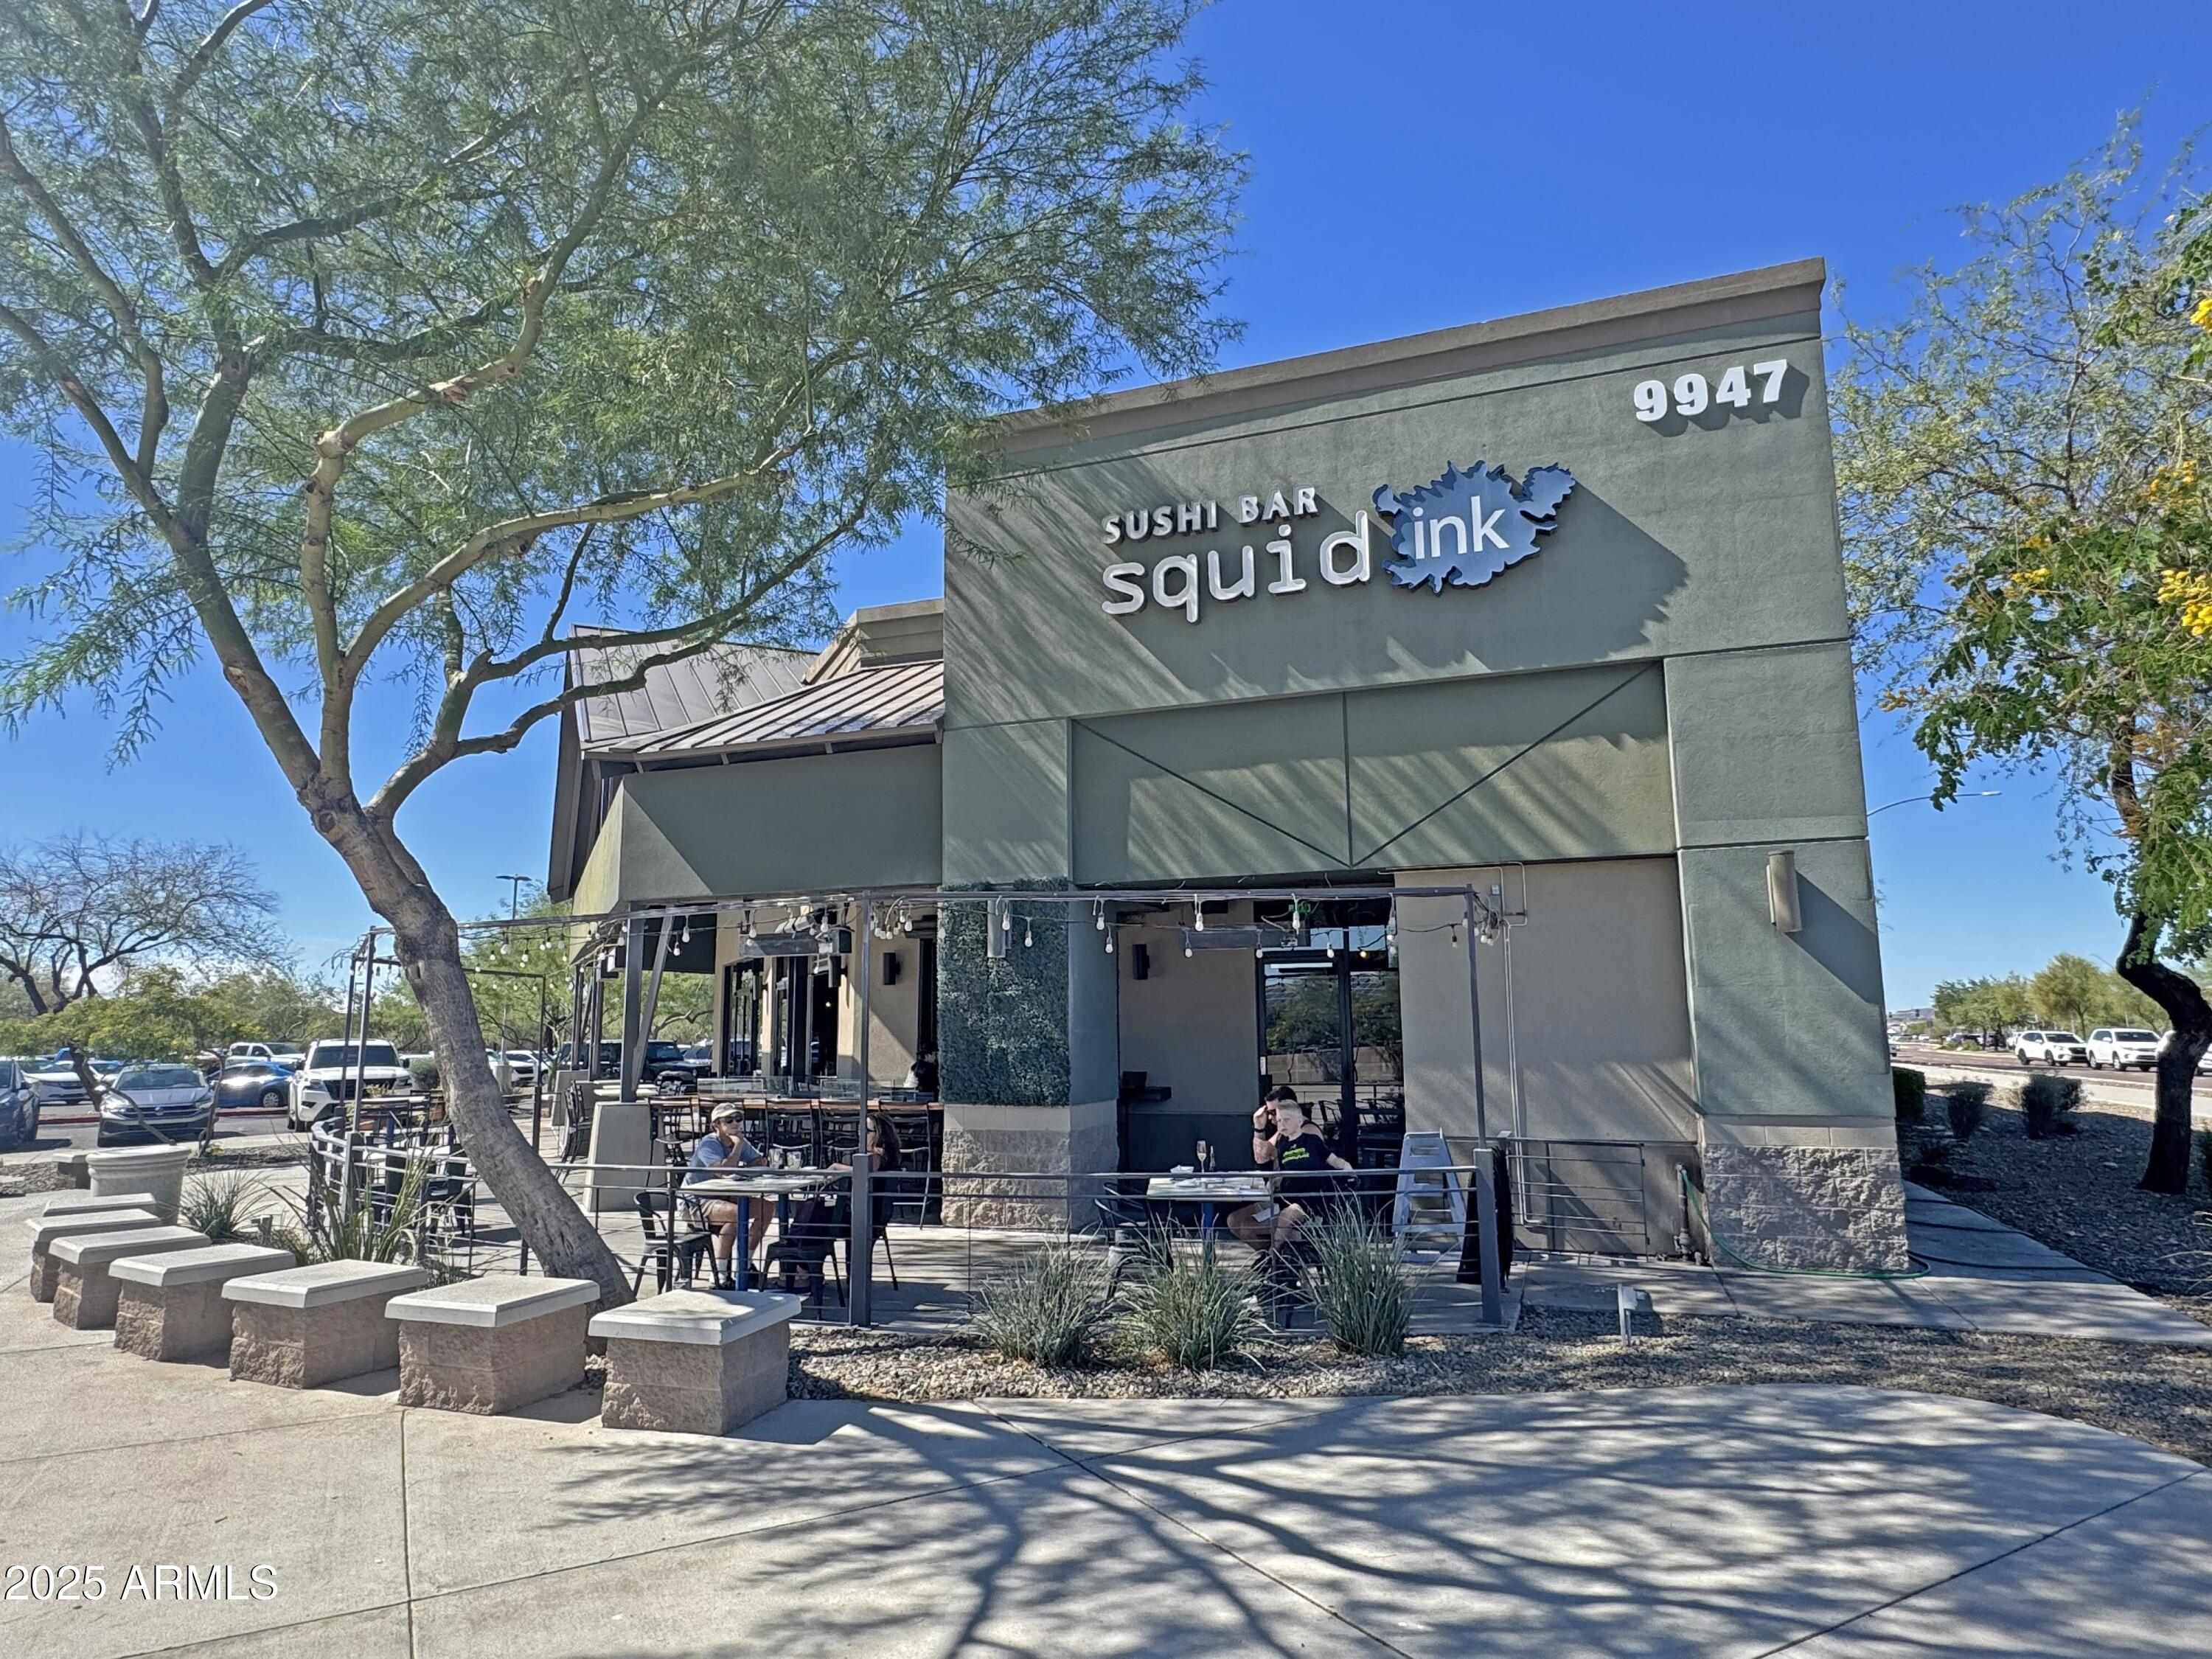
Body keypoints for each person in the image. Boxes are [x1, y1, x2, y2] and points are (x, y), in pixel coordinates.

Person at [1228, 1086, 1354, 1254]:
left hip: (1304, 1201)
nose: (1272, 1119)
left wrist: (1347, 1170)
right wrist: (1259, 1128)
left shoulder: (1309, 1134)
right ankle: (1277, 1259)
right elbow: (1261, 1157)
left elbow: (1323, 1163)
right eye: (1273, 1115)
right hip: (1283, 1197)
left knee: (1251, 1227)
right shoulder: (1283, 1138)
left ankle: (1278, 1258)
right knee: (1235, 1220)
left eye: (1273, 1113)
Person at [686, 1102, 769, 1288]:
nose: (735, 1123)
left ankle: (745, 1264)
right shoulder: (709, 1144)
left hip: (724, 1197)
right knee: (737, 1214)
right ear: (716, 1125)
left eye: (738, 1119)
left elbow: (758, 1161)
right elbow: (724, 1171)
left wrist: (745, 1162)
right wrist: (738, 1146)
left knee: (767, 1208)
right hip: (696, 1201)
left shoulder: (739, 1141)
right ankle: (720, 1274)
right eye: (729, 1120)